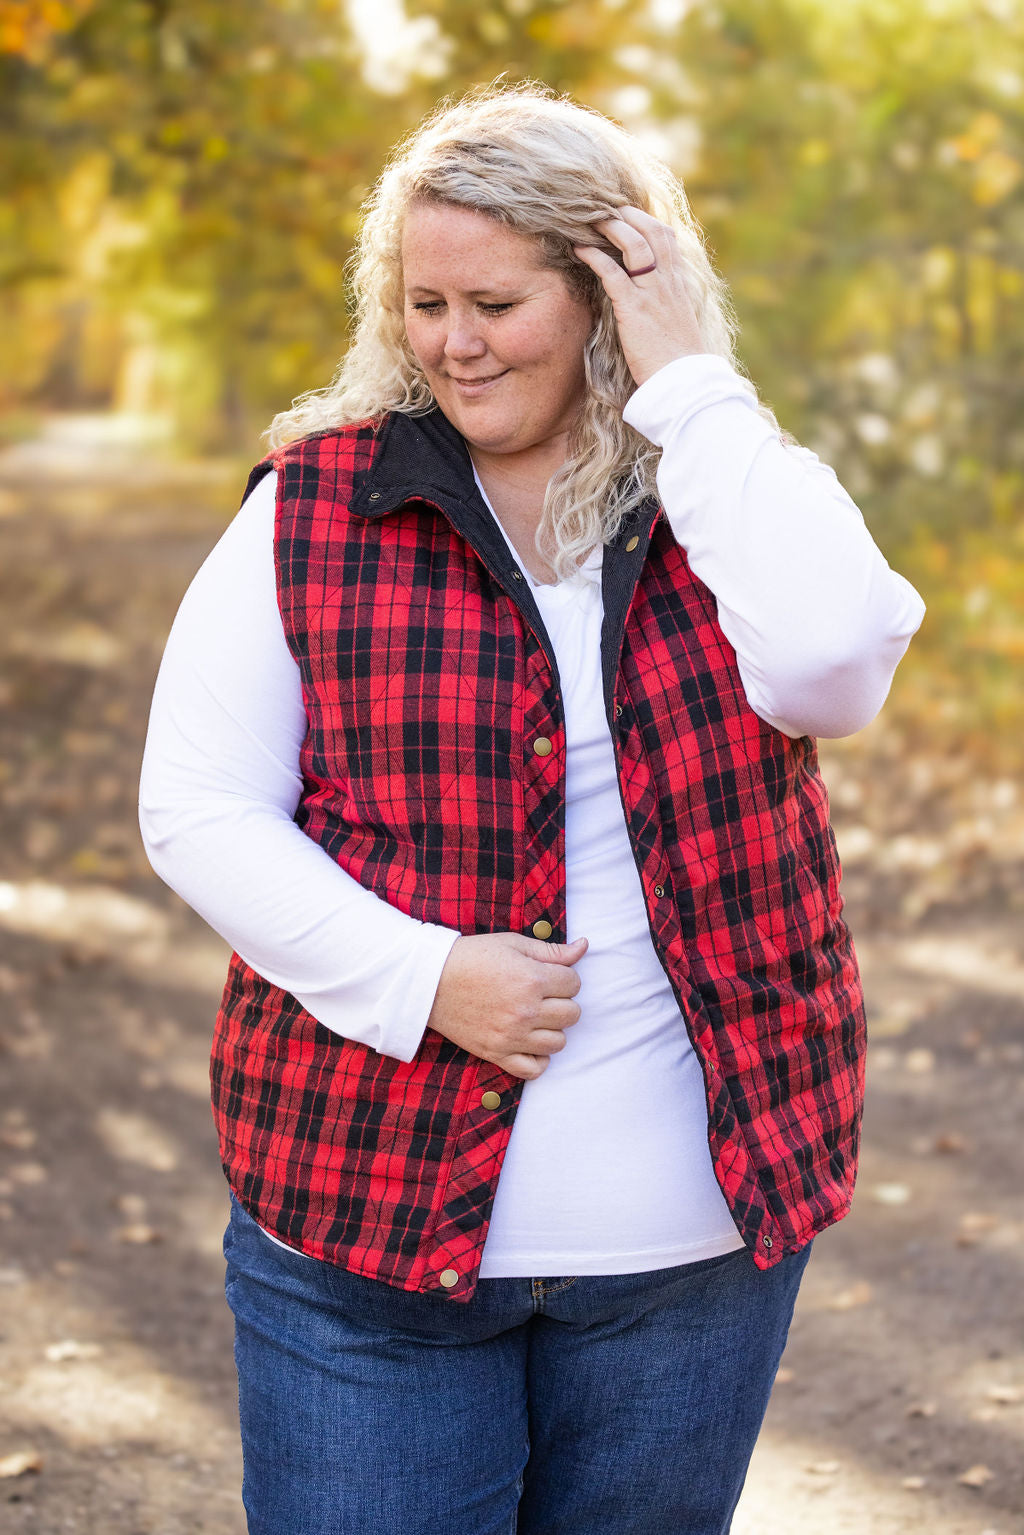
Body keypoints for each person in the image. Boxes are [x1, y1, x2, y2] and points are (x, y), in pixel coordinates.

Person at [139, 81, 926, 1535]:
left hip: (690, 1256)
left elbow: (835, 665)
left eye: (496, 301)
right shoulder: (317, 509)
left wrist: (690, 383)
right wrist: (425, 976)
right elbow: (195, 808)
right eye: (424, 301)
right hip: (366, 1228)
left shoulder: (724, 493)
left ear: (605, 292)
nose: (454, 341)